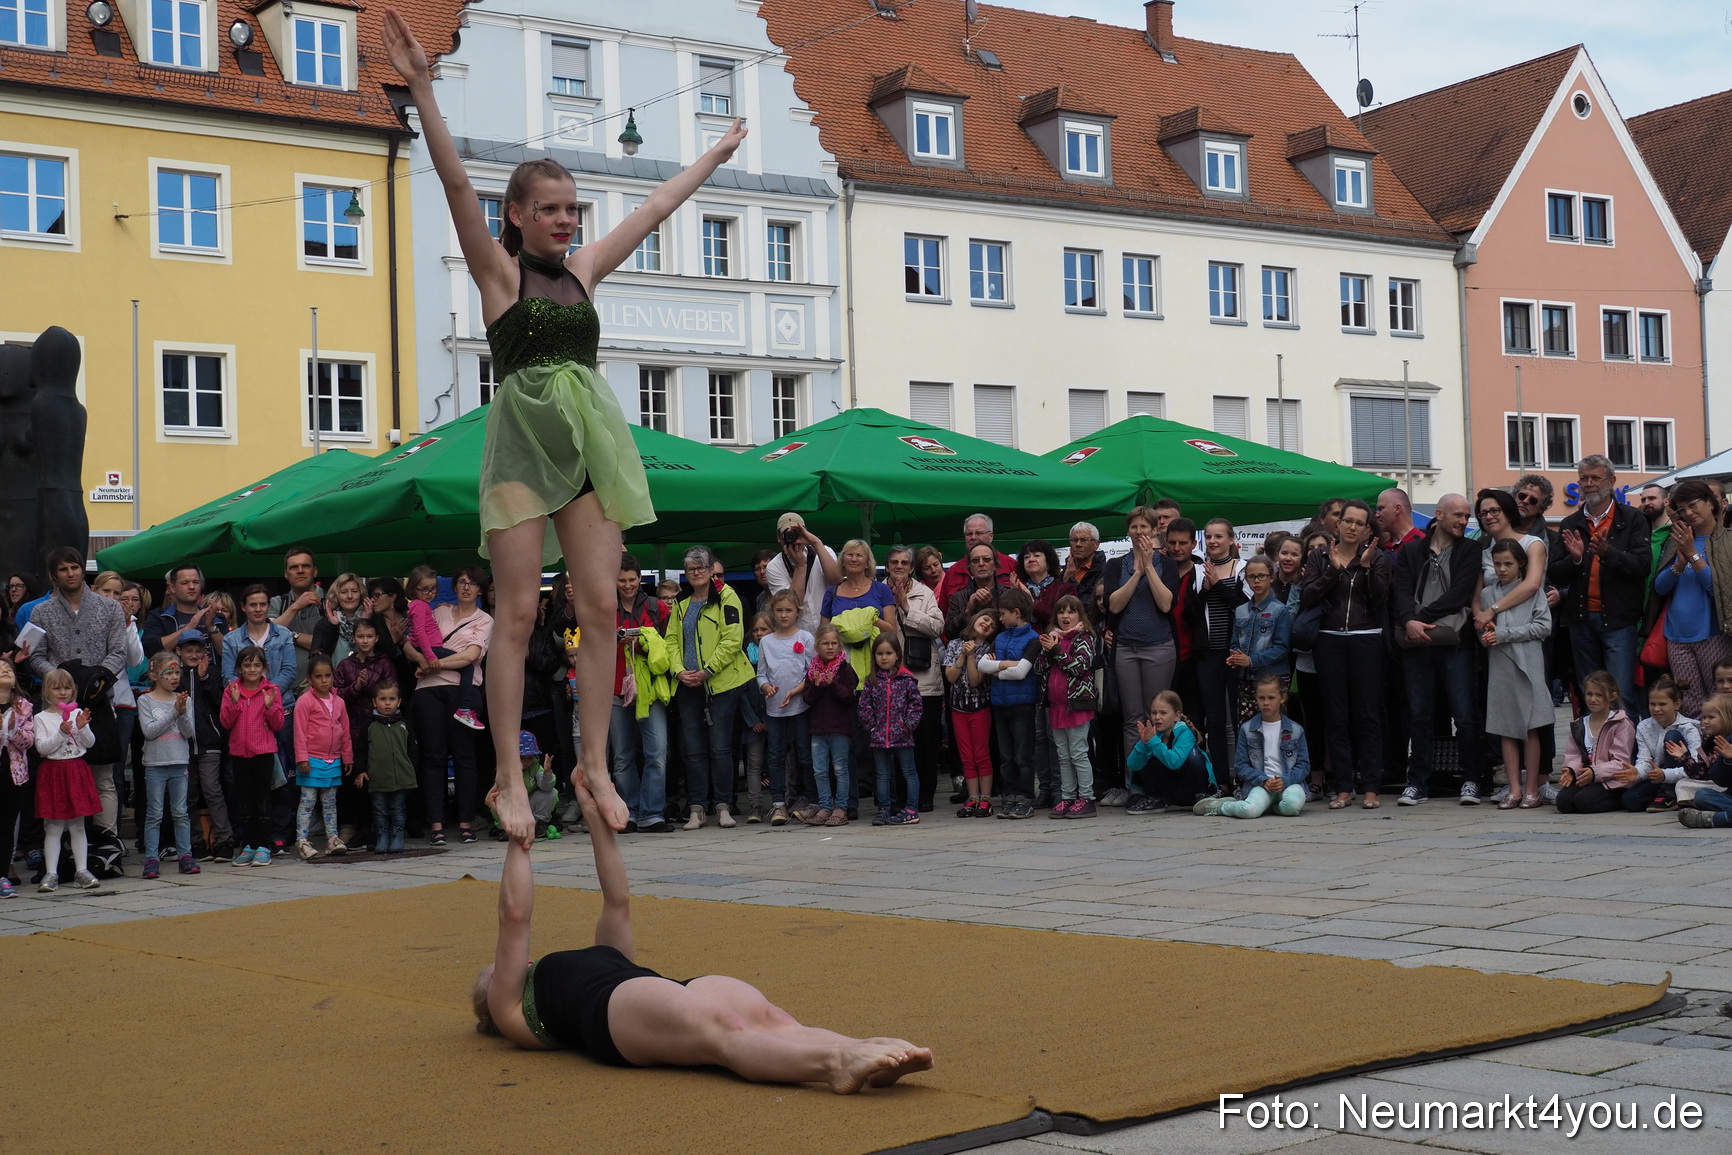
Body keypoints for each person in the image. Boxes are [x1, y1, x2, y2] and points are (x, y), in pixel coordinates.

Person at [387, 9, 746, 842]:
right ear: (515, 214)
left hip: (587, 447)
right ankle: (510, 777)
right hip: (520, 447)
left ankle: (591, 763)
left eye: (572, 209)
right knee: (515, 613)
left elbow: (653, 207)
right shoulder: (499, 274)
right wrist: (422, 91)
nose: (565, 221)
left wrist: (716, 155)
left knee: (598, 604)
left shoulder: (582, 272)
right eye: (549, 208)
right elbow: (448, 183)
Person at [470, 770, 933, 1089]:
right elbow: (515, 918)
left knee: (772, 1020)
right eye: (491, 972)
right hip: (617, 1015)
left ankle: (868, 1052)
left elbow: (617, 899)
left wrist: (594, 814)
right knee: (725, 1032)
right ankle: (834, 1064)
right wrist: (518, 838)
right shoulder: (509, 1007)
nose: (503, 964)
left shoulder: (592, 960)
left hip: (658, 991)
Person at [20, 546, 128, 837]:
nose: (70, 573)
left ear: (83, 569)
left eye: (75, 567)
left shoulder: (110, 608)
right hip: (58, 706)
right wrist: (59, 681)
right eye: (64, 569)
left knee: (103, 775)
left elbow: (118, 651)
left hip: (98, 701)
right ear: (55, 575)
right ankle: (67, 844)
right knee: (62, 774)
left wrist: (97, 679)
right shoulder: (41, 611)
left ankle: (107, 841)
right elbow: (35, 656)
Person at [1392, 494, 1487, 806]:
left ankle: (1471, 779)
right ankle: (1417, 782)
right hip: (1416, 643)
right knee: (1419, 713)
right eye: (1457, 515)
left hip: (1453, 641)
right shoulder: (1410, 551)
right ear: (1439, 515)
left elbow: (1460, 593)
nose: (1463, 521)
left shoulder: (1471, 549)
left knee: (1465, 713)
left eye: (1466, 516)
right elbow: (1401, 590)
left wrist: (1419, 620)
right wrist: (1408, 621)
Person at [1300, 499, 1391, 810]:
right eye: (1347, 521)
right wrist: (1333, 572)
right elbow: (1308, 596)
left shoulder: (1377, 557)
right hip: (1328, 639)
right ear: (1336, 525)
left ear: (1367, 529)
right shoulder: (1319, 555)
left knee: (1367, 715)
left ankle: (1371, 787)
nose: (1352, 527)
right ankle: (1342, 786)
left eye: (1359, 523)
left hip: (1366, 638)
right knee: (1335, 716)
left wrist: (1364, 567)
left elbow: (1380, 600)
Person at [1557, 455, 1651, 714]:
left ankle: (1624, 755)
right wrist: (1575, 560)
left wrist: (1609, 553)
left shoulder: (1632, 519)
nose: (1588, 483)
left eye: (1595, 478)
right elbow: (1555, 573)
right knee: (1591, 696)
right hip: (1581, 621)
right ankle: (1594, 753)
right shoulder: (1570, 523)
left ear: (1611, 481)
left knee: (1620, 694)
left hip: (1619, 622)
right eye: (1583, 478)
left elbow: (1642, 567)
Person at [669, 546, 754, 831]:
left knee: (720, 748)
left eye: (700, 568)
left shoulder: (727, 597)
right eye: (690, 569)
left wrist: (708, 671)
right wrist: (679, 671)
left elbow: (733, 639)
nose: (695, 573)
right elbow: (670, 641)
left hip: (721, 683)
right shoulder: (681, 603)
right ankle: (697, 808)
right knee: (692, 750)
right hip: (688, 684)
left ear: (710, 570)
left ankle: (723, 806)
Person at [410, 567, 493, 846]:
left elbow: (470, 656)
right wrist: (423, 662)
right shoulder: (438, 611)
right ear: (454, 586)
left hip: (463, 692)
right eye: (461, 582)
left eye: (472, 583)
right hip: (429, 691)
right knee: (433, 757)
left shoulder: (485, 620)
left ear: (480, 590)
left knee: (464, 757)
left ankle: (466, 822)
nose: (466, 587)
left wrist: (432, 664)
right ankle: (436, 823)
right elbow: (413, 642)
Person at [1103, 506, 1178, 812]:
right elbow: (1114, 606)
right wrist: (1136, 570)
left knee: (1157, 718)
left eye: (1144, 527)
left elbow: (1165, 604)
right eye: (1134, 527)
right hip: (1127, 649)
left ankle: (1158, 786)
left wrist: (1149, 566)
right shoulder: (1115, 565)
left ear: (1154, 531)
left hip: (1159, 647)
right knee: (1133, 719)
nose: (1138, 532)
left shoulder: (1167, 564)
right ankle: (1135, 786)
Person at [1480, 538, 1554, 810]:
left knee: (1531, 728)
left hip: (1529, 663)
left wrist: (1504, 634)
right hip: (1501, 665)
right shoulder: (1488, 594)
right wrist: (1487, 635)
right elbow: (1483, 634)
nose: (1502, 569)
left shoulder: (1533, 591)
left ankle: (1532, 787)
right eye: (1497, 564)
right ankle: (1514, 788)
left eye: (1508, 563)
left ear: (1521, 564)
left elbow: (1543, 627)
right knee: (1506, 729)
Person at [1654, 480, 1732, 716]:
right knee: (1689, 704)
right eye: (1682, 509)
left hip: (1714, 635)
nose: (1689, 513)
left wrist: (1692, 555)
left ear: (1711, 503)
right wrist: (1679, 562)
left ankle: (1720, 751)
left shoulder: (1727, 540)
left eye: (1693, 505)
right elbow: (1660, 587)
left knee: (1720, 703)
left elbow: (1719, 589)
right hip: (1677, 637)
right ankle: (1696, 752)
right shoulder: (1676, 539)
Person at [612, 554, 675, 834]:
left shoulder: (657, 606)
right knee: (622, 756)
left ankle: (652, 813)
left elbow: (670, 645)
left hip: (650, 689)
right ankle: (630, 813)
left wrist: (646, 642)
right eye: (622, 580)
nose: (627, 585)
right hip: (613, 688)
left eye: (632, 580)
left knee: (657, 752)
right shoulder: (604, 607)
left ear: (640, 579)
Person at [1196, 674, 1309, 819]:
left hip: (1289, 783)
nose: (1266, 703)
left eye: (1271, 698)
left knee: (1291, 806)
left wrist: (1284, 780)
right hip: (1261, 784)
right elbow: (1241, 765)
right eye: (1261, 698)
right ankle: (1220, 806)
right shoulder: (1247, 729)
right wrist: (1263, 780)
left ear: (1282, 698)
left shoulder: (1296, 729)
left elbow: (1303, 765)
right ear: (1256, 698)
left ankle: (1270, 807)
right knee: (1248, 811)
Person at [886, 545, 943, 812]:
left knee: (925, 740)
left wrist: (908, 608)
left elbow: (938, 627)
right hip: (892, 677)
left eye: (905, 562)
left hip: (924, 678)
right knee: (895, 738)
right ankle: (899, 795)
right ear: (887, 565)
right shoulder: (877, 591)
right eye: (895, 562)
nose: (899, 566)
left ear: (911, 567)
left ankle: (925, 794)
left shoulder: (925, 592)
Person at [976, 587, 1041, 819]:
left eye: (1003, 614)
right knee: (1005, 754)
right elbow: (982, 665)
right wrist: (1007, 665)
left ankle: (1025, 796)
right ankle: (1009, 795)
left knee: (1022, 753)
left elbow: (1022, 671)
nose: (1000, 619)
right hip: (1000, 703)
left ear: (1016, 612)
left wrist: (998, 668)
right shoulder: (1000, 638)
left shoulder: (1033, 639)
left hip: (1022, 703)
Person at [32, 668, 99, 891]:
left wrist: (81, 728)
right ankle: (51, 874)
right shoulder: (41, 718)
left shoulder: (77, 712)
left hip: (76, 769)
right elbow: (42, 748)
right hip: (54, 771)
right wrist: (61, 733)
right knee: (53, 826)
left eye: (67, 687)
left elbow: (89, 743)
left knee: (78, 825)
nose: (62, 692)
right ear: (46, 691)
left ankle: (82, 870)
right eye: (56, 687)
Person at [220, 646, 285, 867]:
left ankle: (264, 845)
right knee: (244, 801)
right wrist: (236, 704)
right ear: (239, 668)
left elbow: (278, 724)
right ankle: (247, 845)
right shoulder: (231, 690)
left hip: (264, 752)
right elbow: (225, 722)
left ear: (264, 667)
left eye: (257, 665)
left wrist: (269, 707)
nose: (252, 669)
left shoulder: (271, 689)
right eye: (247, 665)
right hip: (239, 752)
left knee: (263, 800)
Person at [136, 650, 199, 880]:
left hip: (179, 761)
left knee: (181, 812)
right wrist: (174, 712)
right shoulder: (145, 700)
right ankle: (152, 858)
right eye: (169, 672)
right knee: (154, 813)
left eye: (177, 672)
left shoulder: (184, 700)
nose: (174, 677)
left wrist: (181, 712)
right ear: (154, 675)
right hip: (155, 763)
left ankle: (186, 855)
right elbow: (149, 731)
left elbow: (188, 732)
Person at [1192, 519, 1249, 767]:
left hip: (1235, 653)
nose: (1213, 541)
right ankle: (1222, 781)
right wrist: (1206, 589)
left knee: (1239, 718)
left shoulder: (1243, 568)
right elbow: (1191, 613)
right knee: (1214, 719)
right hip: (1208, 654)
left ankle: (1243, 776)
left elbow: (1244, 609)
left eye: (1219, 537)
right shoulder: (1197, 570)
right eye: (1209, 536)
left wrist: (1217, 584)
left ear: (1230, 539)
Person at [757, 591, 813, 828]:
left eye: (788, 610)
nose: (783, 615)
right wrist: (767, 686)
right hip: (774, 709)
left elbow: (812, 673)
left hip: (800, 706)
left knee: (804, 753)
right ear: (773, 612)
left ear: (797, 612)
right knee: (776, 755)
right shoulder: (766, 642)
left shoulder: (806, 637)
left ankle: (808, 799)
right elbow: (760, 674)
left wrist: (795, 692)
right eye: (779, 610)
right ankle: (778, 802)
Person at [404, 565, 483, 731]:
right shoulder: (423, 607)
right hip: (431, 654)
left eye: (433, 588)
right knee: (467, 667)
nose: (430, 593)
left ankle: (465, 709)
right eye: (425, 589)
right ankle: (465, 709)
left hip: (432, 656)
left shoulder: (428, 607)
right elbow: (419, 634)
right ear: (413, 590)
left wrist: (428, 664)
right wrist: (430, 657)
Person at [1041, 594, 1098, 818]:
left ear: (1079, 615)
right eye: (1061, 612)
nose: (1065, 616)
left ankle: (1087, 798)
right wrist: (1046, 652)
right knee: (1062, 756)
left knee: (1078, 753)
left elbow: (1080, 667)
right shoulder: (1052, 637)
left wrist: (1056, 651)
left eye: (1071, 611)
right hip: (1056, 706)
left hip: (1077, 706)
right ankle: (1068, 797)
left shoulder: (1085, 638)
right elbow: (1039, 670)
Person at [858, 636, 922, 827]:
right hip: (878, 736)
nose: (884, 658)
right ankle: (884, 809)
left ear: (897, 655)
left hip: (902, 735)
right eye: (879, 653)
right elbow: (864, 706)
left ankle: (911, 809)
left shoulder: (906, 679)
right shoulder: (871, 681)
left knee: (909, 771)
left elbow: (916, 705)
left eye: (888, 653)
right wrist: (870, 725)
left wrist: (908, 725)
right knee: (882, 774)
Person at [292, 653, 351, 860]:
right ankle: (302, 840)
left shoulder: (340, 702)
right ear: (310, 679)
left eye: (328, 675)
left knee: (330, 802)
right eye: (319, 676)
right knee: (307, 801)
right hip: (311, 759)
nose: (324, 680)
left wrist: (347, 757)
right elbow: (299, 731)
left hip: (333, 760)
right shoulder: (304, 701)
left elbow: (345, 731)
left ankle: (332, 838)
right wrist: (302, 758)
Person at [1554, 670, 1637, 815]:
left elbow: (1621, 761)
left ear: (1612, 696)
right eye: (1589, 694)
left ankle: (1621, 800)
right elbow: (1573, 754)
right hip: (1588, 778)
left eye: (1599, 695)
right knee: (1563, 801)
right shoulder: (1580, 724)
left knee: (1584, 802)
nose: (1593, 699)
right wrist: (1571, 770)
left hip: (1613, 781)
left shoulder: (1621, 724)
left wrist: (1595, 772)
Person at [801, 624, 856, 826]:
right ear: (817, 646)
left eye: (834, 643)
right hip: (818, 729)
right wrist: (816, 687)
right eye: (825, 643)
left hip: (839, 729)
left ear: (839, 646)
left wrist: (833, 684)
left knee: (840, 769)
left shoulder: (845, 669)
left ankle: (841, 808)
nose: (830, 647)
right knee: (820, 770)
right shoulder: (812, 670)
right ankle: (825, 806)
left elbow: (850, 698)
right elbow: (807, 699)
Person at [1226, 555, 1290, 723]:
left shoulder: (1280, 610)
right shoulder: (1240, 611)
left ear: (1271, 577)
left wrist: (1251, 660)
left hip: (1272, 680)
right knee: (1247, 728)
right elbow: (1235, 642)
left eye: (1262, 576)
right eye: (1251, 576)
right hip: (1246, 679)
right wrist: (1235, 658)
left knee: (1273, 726)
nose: (1257, 581)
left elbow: (1282, 648)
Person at [946, 610, 997, 818]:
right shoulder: (954, 644)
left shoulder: (988, 650)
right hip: (958, 709)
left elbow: (975, 681)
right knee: (966, 755)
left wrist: (970, 657)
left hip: (980, 708)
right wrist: (962, 654)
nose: (987, 624)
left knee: (981, 754)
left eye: (992, 624)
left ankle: (986, 798)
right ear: (975, 619)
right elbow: (950, 677)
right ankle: (972, 797)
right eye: (985, 618)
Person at [1126, 690, 1215, 809]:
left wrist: (1153, 742)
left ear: (1177, 715)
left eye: (1163, 713)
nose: (1157, 717)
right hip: (1169, 791)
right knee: (1146, 755)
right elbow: (1132, 764)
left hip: (1190, 790)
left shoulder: (1185, 732)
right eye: (1154, 713)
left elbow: (1174, 762)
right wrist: (1144, 744)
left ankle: (1203, 795)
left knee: (1194, 755)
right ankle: (1155, 799)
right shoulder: (1153, 734)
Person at [355, 680, 416, 854]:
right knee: (380, 810)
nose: (387, 703)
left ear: (399, 701)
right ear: (375, 702)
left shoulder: (404, 724)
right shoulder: (370, 726)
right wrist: (360, 771)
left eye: (391, 698)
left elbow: (413, 749)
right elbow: (361, 750)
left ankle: (398, 836)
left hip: (401, 779)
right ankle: (382, 836)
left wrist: (412, 769)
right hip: (377, 779)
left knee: (398, 808)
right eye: (383, 699)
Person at [1627, 676, 1703, 813]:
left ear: (1677, 704)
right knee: (1630, 801)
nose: (1656, 709)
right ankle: (1666, 798)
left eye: (1662, 704)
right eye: (1652, 704)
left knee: (1672, 736)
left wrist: (1665, 775)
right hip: (1659, 776)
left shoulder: (1689, 728)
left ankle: (1670, 794)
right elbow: (1645, 760)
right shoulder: (1643, 726)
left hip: (1683, 777)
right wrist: (1637, 772)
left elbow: (1696, 764)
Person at [824, 540, 899, 677]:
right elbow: (824, 633)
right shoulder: (832, 592)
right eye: (849, 554)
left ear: (867, 562)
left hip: (876, 665)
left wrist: (867, 620)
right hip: (840, 666)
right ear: (843, 560)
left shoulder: (882, 589)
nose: (853, 559)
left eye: (859, 555)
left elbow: (892, 632)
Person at [763, 514, 841, 636]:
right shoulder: (774, 566)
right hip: (798, 637)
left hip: (829, 635)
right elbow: (791, 603)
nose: (792, 538)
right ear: (779, 537)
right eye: (787, 534)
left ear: (805, 532)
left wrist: (816, 542)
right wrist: (800, 566)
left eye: (796, 533)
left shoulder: (824, 551)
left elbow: (837, 581)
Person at [934, 514, 1018, 613]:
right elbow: (944, 613)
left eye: (979, 533)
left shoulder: (1011, 565)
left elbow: (1024, 607)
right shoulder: (953, 572)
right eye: (969, 534)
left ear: (991, 536)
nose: (973, 537)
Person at [143, 562, 224, 657]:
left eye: (196, 582)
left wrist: (211, 627)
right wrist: (188, 628)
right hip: (175, 671)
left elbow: (228, 655)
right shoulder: (159, 617)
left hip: (211, 671)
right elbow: (151, 650)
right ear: (172, 588)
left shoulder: (216, 618)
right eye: (185, 583)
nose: (192, 587)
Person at [269, 546, 324, 685]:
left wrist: (291, 635)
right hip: (285, 689)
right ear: (286, 574)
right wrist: (296, 606)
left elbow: (327, 644)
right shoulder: (276, 603)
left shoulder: (331, 601)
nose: (300, 570)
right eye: (294, 567)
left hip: (324, 688)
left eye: (305, 566)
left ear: (315, 571)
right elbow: (269, 635)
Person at [0, 656, 31, 898]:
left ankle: (2, 876)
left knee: (7, 826)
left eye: (8, 668)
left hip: (13, 774)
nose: (4, 670)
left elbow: (28, 741)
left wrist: (12, 730)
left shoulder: (23, 706)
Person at [1678, 695, 1732, 828]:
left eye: (1711, 717)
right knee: (1702, 795)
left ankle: (1716, 819)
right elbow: (1718, 779)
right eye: (1704, 717)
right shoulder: (1711, 743)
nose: (1705, 721)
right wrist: (1727, 760)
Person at [739, 614, 772, 824]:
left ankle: (781, 802)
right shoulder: (744, 657)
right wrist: (753, 720)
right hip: (752, 722)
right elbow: (740, 692)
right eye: (756, 630)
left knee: (779, 761)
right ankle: (755, 806)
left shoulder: (777, 652)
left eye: (764, 630)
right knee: (754, 765)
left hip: (775, 717)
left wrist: (770, 718)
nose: (759, 634)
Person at [944, 543, 1014, 638]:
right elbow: (949, 634)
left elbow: (1013, 630)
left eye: (986, 559)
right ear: (970, 568)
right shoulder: (958, 597)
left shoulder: (1009, 594)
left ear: (995, 565)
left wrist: (990, 608)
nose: (981, 564)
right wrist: (967, 611)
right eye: (975, 560)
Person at [1064, 522, 1108, 626]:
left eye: (1083, 540)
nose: (1078, 544)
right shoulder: (1064, 569)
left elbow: (1091, 606)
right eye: (1074, 540)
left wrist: (1070, 580)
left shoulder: (1105, 571)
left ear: (1096, 544)